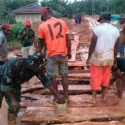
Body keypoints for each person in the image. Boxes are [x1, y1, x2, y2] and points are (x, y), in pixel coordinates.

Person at [0, 52, 64, 125]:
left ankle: (11, 123)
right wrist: (13, 100)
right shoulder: (16, 63)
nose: (41, 68)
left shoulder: (36, 68)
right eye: (39, 67)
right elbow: (4, 85)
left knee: (14, 107)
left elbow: (45, 81)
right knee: (11, 102)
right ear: (32, 64)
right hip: (1, 80)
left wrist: (57, 94)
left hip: (14, 84)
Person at [37, 7, 71, 102]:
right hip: (63, 54)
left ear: (43, 15)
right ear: (51, 13)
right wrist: (70, 51)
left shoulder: (42, 26)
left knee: (53, 77)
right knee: (64, 75)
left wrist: (38, 55)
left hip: (51, 55)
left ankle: (56, 97)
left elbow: (40, 43)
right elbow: (68, 39)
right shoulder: (62, 22)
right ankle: (66, 96)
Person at [86, 12, 120, 104]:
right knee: (106, 77)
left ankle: (93, 99)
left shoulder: (97, 29)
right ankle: (103, 97)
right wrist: (115, 59)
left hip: (98, 57)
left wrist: (89, 57)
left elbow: (93, 44)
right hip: (109, 58)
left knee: (95, 76)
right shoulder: (116, 30)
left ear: (102, 19)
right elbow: (116, 47)